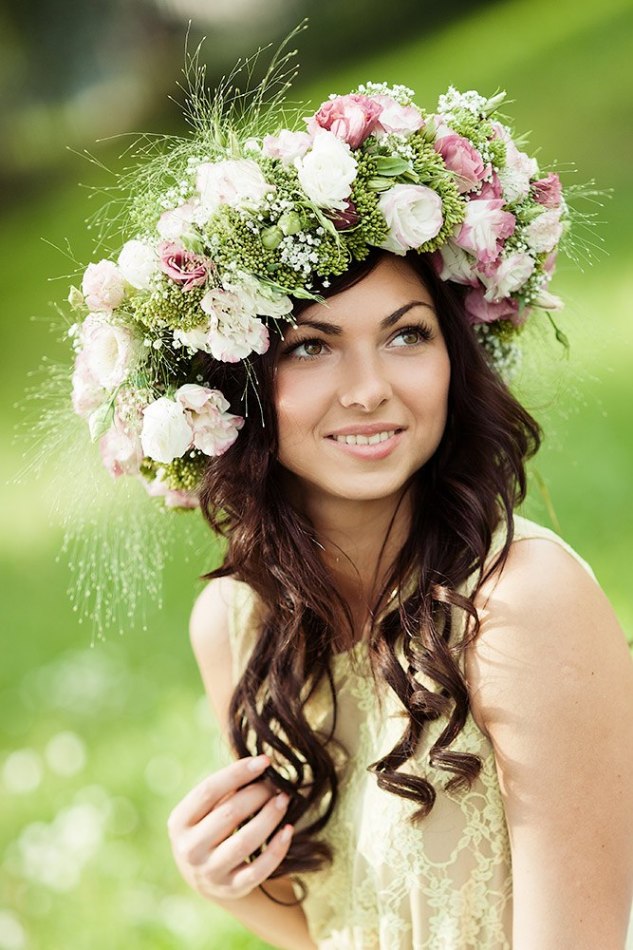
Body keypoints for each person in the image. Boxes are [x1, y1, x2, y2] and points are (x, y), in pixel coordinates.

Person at [64, 64, 633, 947]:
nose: (368, 390)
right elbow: (344, 931)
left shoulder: (522, 605)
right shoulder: (236, 624)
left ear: (456, 357)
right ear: (233, 386)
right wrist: (233, 886)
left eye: (406, 335)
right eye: (310, 348)